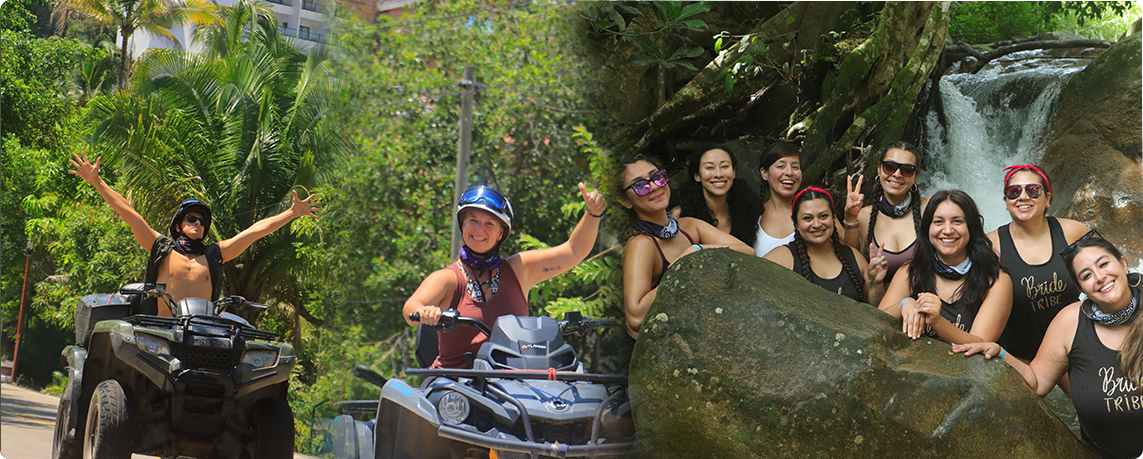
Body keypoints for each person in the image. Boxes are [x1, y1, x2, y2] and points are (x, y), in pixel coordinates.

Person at [953, 236, 1143, 459]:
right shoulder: (1069, 323)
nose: (1100, 277)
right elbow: (1036, 384)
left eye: (1103, 264)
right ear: (1080, 287)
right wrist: (999, 352)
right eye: (1086, 275)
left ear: (1123, 263)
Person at [69, 152, 320, 316]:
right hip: (160, 330)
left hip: (201, 333)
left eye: (202, 221)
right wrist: (96, 181)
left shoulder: (214, 254)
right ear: (178, 226)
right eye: (191, 218)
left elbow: (254, 232)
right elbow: (130, 213)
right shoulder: (162, 248)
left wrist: (291, 213)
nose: (198, 223)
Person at [402, 183, 607, 369]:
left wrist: (593, 213)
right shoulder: (447, 278)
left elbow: (573, 251)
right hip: (455, 386)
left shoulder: (519, 269)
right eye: (473, 221)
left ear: (501, 233)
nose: (479, 229)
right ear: (463, 225)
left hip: (512, 385)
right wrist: (425, 311)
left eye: (489, 224)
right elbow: (411, 308)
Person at [619, 155, 754, 343]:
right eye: (640, 185)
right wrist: (682, 267)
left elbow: (747, 252)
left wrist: (699, 250)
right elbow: (635, 318)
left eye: (657, 177)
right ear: (625, 200)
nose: (655, 186)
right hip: (650, 350)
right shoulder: (641, 244)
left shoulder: (689, 226)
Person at [986, 165, 1090, 376]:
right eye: (1014, 191)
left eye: (1033, 190)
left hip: (1071, 347)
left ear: (1047, 198)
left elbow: (1113, 272)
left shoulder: (1073, 232)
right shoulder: (990, 246)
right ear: (1006, 201)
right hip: (1017, 355)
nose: (1023, 197)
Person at [878, 190, 1012, 344]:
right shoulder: (910, 271)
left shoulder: (996, 279)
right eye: (938, 222)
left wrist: (937, 322)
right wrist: (904, 304)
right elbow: (873, 324)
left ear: (971, 227)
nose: (947, 230)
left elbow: (981, 344)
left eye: (957, 221)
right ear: (928, 228)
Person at [764, 187, 888, 305]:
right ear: (796, 224)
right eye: (807, 218)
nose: (817, 224)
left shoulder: (853, 257)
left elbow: (875, 307)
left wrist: (876, 282)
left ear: (833, 218)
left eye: (823, 216)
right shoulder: (782, 258)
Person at [842, 141, 928, 282]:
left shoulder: (928, 209)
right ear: (879, 169)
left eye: (907, 170)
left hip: (925, 294)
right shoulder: (864, 216)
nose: (897, 174)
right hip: (879, 293)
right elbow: (851, 265)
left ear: (916, 176)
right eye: (890, 167)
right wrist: (850, 217)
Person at [671, 145, 760, 247]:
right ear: (697, 176)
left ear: (734, 173)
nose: (718, 174)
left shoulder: (746, 209)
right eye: (709, 167)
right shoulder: (681, 214)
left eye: (724, 166)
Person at [754, 141, 802, 257]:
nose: (789, 172)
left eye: (795, 167)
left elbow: (842, 249)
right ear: (764, 173)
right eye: (781, 166)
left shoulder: (816, 213)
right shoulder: (751, 216)